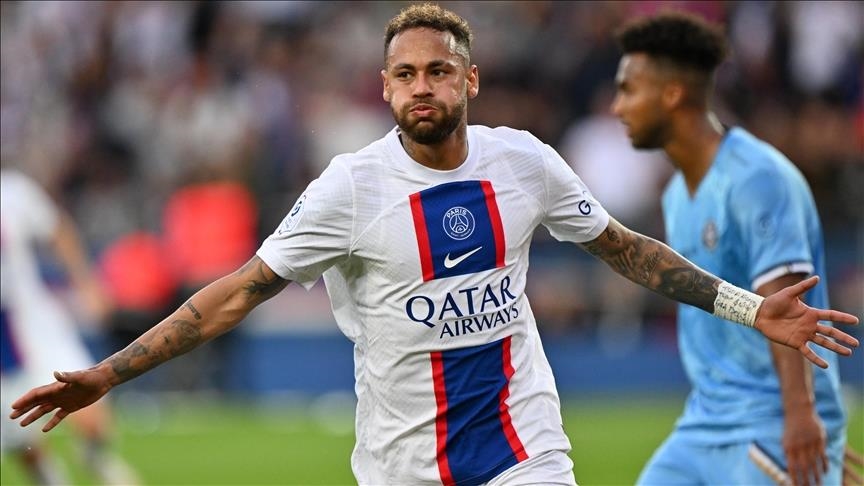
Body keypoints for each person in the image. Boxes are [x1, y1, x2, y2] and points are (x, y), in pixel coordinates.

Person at [9, 4, 860, 485]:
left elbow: (628, 249)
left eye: (440, 71)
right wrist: (105, 374)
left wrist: (749, 309)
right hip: (402, 464)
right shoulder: (348, 189)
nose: (424, 86)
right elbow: (234, 293)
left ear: (470, 80)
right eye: (407, 74)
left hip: (524, 447)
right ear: (385, 88)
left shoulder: (523, 163)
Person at [609, 11, 862, 486]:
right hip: (704, 422)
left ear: (672, 94)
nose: (617, 107)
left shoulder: (756, 178)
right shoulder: (676, 193)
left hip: (768, 423)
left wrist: (804, 419)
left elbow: (789, 306)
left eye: (628, 90)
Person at [0, 168, 140, 485]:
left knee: (92, 412)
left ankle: (94, 455)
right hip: (2, 345)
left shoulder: (12, 192)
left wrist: (87, 284)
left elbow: (57, 230)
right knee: (19, 435)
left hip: (34, 325)